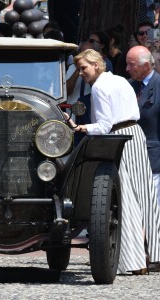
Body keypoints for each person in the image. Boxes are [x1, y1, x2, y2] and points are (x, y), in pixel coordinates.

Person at [65, 49, 160, 275]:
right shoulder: (121, 81)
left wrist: (79, 127)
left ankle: (134, 262)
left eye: (83, 68)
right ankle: (155, 254)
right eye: (79, 69)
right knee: (147, 198)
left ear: (96, 65)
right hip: (136, 135)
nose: (80, 73)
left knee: (125, 200)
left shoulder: (99, 88)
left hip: (119, 138)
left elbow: (104, 126)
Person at [126, 46, 160, 209]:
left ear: (146, 65)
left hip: (154, 161)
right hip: (132, 158)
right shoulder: (129, 86)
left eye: (132, 64)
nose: (127, 69)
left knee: (152, 209)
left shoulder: (159, 85)